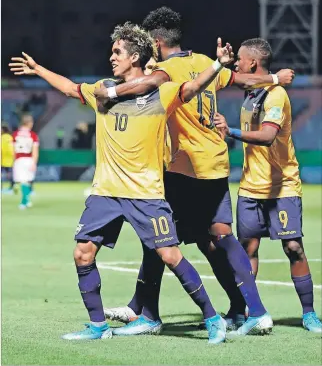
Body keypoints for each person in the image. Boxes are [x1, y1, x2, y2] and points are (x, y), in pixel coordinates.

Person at [9, 22, 238, 344]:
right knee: (83, 254)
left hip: (145, 193)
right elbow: (70, 89)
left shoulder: (161, 93)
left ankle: (213, 318)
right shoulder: (102, 91)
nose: (111, 57)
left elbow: (191, 89)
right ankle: (98, 326)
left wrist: (217, 65)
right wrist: (38, 69)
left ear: (135, 56)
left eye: (117, 52)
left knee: (170, 256)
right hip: (105, 191)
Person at [97, 7, 294, 336]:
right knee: (217, 238)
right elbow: (243, 79)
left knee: (157, 238)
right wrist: (274, 78)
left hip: (185, 168)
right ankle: (253, 311)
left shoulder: (165, 69)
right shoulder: (206, 62)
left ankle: (147, 314)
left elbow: (149, 83)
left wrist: (113, 91)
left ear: (157, 42)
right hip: (215, 164)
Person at [213, 38, 322, 334]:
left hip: (281, 186)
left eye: (241, 60)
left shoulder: (275, 96)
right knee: (247, 250)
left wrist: (230, 131)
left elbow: (267, 136)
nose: (237, 64)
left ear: (252, 63)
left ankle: (310, 314)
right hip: (250, 186)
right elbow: (227, 77)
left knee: (293, 247)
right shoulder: (249, 92)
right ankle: (245, 311)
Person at [12, 114, 39, 209]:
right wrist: (34, 162)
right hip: (29, 159)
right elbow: (35, 151)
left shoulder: (15, 134)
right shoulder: (33, 135)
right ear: (29, 123)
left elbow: (12, 150)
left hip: (19, 159)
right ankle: (25, 201)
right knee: (26, 181)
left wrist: (14, 160)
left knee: (22, 181)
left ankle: (24, 201)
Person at [1, 123, 15, 194]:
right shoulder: (10, 137)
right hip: (10, 159)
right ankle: (12, 188)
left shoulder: (2, 137)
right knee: (10, 174)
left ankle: (1, 188)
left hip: (2, 159)